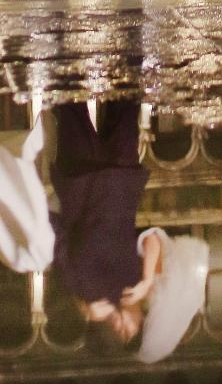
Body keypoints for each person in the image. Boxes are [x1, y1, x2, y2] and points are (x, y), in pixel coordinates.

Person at [49, 99, 151, 345]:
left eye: (121, 333)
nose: (122, 326)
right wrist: (147, 280)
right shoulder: (138, 287)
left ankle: (64, 61)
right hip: (120, 179)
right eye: (130, 329)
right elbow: (152, 237)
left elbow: (57, 237)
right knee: (126, 101)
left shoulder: (84, 291)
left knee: (70, 105)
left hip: (81, 178)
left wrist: (84, 303)